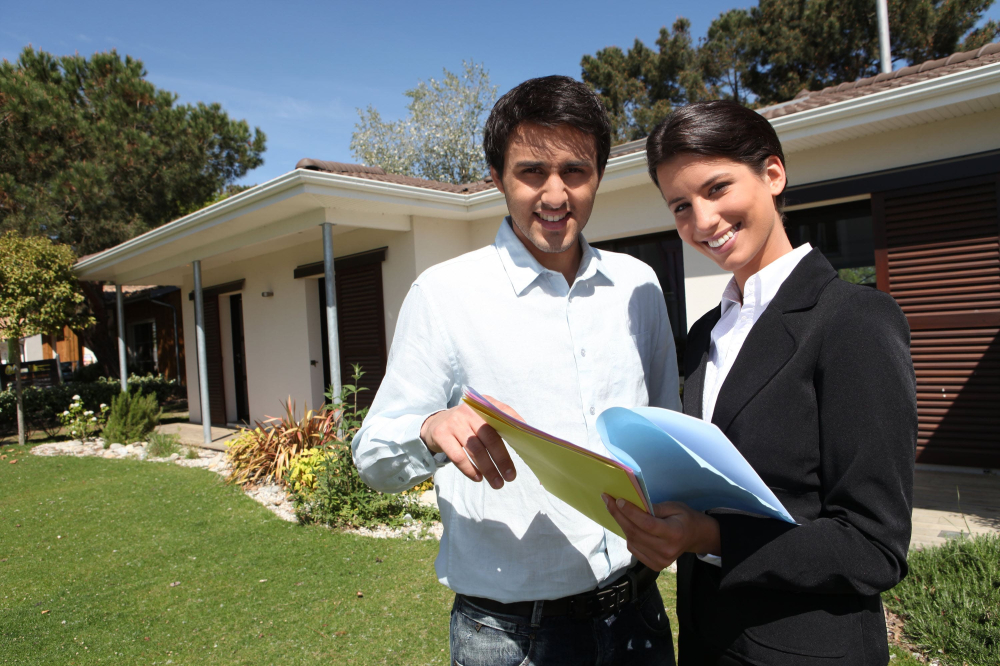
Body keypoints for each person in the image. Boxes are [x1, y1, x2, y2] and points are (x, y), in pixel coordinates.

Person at [353, 75, 682, 665]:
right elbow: (372, 454)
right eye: (532, 171)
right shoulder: (445, 294)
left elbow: (666, 429)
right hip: (510, 639)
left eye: (575, 172)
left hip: (637, 617)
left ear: (599, 177)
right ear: (498, 178)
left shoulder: (639, 287)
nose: (555, 195)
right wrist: (430, 430)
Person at [603, 100, 917, 665]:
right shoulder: (705, 334)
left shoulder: (852, 320)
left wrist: (710, 537)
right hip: (707, 643)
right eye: (680, 205)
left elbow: (874, 545)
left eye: (718, 188)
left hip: (806, 649)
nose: (701, 221)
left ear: (773, 174)